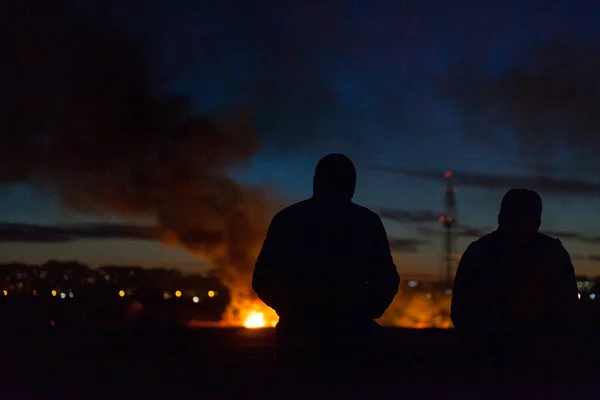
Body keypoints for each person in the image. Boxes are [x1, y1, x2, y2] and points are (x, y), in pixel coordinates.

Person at [252, 153, 400, 368]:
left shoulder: (288, 220)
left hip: (299, 339)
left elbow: (262, 279)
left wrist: (292, 311)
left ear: (316, 182)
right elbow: (386, 279)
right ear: (352, 184)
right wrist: (363, 312)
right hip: (351, 337)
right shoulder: (366, 223)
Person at [451, 188, 581, 377]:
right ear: (537, 222)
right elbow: (569, 311)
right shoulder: (553, 253)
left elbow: (461, 311)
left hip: (488, 364)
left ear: (500, 217)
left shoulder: (479, 251)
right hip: (538, 365)